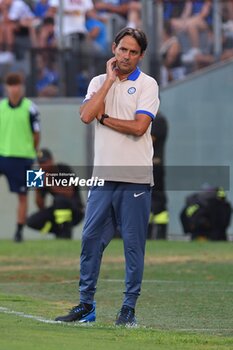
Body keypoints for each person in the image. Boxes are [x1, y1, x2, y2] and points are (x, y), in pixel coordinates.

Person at [55, 27, 160, 326]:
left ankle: (128, 309)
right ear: (113, 48)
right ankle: (86, 305)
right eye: (122, 49)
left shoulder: (147, 85)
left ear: (141, 55)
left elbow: (139, 127)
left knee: (132, 245)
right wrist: (110, 81)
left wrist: (106, 118)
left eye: (133, 51)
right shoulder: (99, 82)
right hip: (102, 178)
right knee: (90, 240)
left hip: (136, 179)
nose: (126, 56)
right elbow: (87, 115)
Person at [0, 72, 40, 242]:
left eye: (16, 85)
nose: (14, 89)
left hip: (23, 157)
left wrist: (32, 151)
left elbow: (37, 133)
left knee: (23, 196)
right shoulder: (1, 107)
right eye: (10, 85)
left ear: (21, 87)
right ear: (6, 87)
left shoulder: (30, 107)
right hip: (2, 155)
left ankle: (18, 232)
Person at [27, 148, 84, 239]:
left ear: (52, 160)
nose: (43, 166)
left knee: (60, 200)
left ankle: (66, 233)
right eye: (40, 163)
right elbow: (41, 206)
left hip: (75, 210)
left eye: (45, 162)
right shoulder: (38, 175)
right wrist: (38, 189)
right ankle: (59, 231)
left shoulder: (63, 169)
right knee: (32, 221)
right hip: (57, 211)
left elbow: (69, 193)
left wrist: (50, 185)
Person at [148, 111, 169, 239]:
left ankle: (160, 233)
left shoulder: (158, 120)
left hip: (154, 165)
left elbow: (149, 139)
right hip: (147, 165)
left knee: (157, 198)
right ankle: (147, 232)